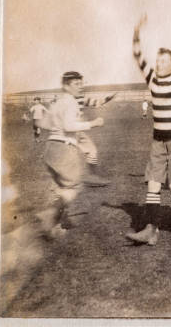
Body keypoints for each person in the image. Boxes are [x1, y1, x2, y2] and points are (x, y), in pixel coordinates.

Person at [125, 14, 171, 246]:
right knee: (154, 184)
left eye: (164, 61)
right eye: (159, 61)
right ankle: (151, 230)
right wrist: (137, 32)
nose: (159, 64)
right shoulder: (152, 79)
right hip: (158, 140)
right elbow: (138, 56)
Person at [34, 71, 104, 238]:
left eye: (81, 83)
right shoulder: (71, 102)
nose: (80, 87)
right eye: (75, 84)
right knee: (74, 187)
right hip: (64, 148)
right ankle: (49, 215)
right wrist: (93, 123)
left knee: (60, 188)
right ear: (65, 86)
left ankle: (55, 226)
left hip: (50, 147)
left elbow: (43, 123)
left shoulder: (57, 102)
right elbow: (69, 126)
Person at [74, 92, 116, 186]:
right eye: (77, 83)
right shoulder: (66, 100)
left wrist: (107, 98)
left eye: (81, 83)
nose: (80, 86)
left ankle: (92, 176)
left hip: (77, 130)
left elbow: (96, 102)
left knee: (91, 150)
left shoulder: (80, 97)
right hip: (69, 130)